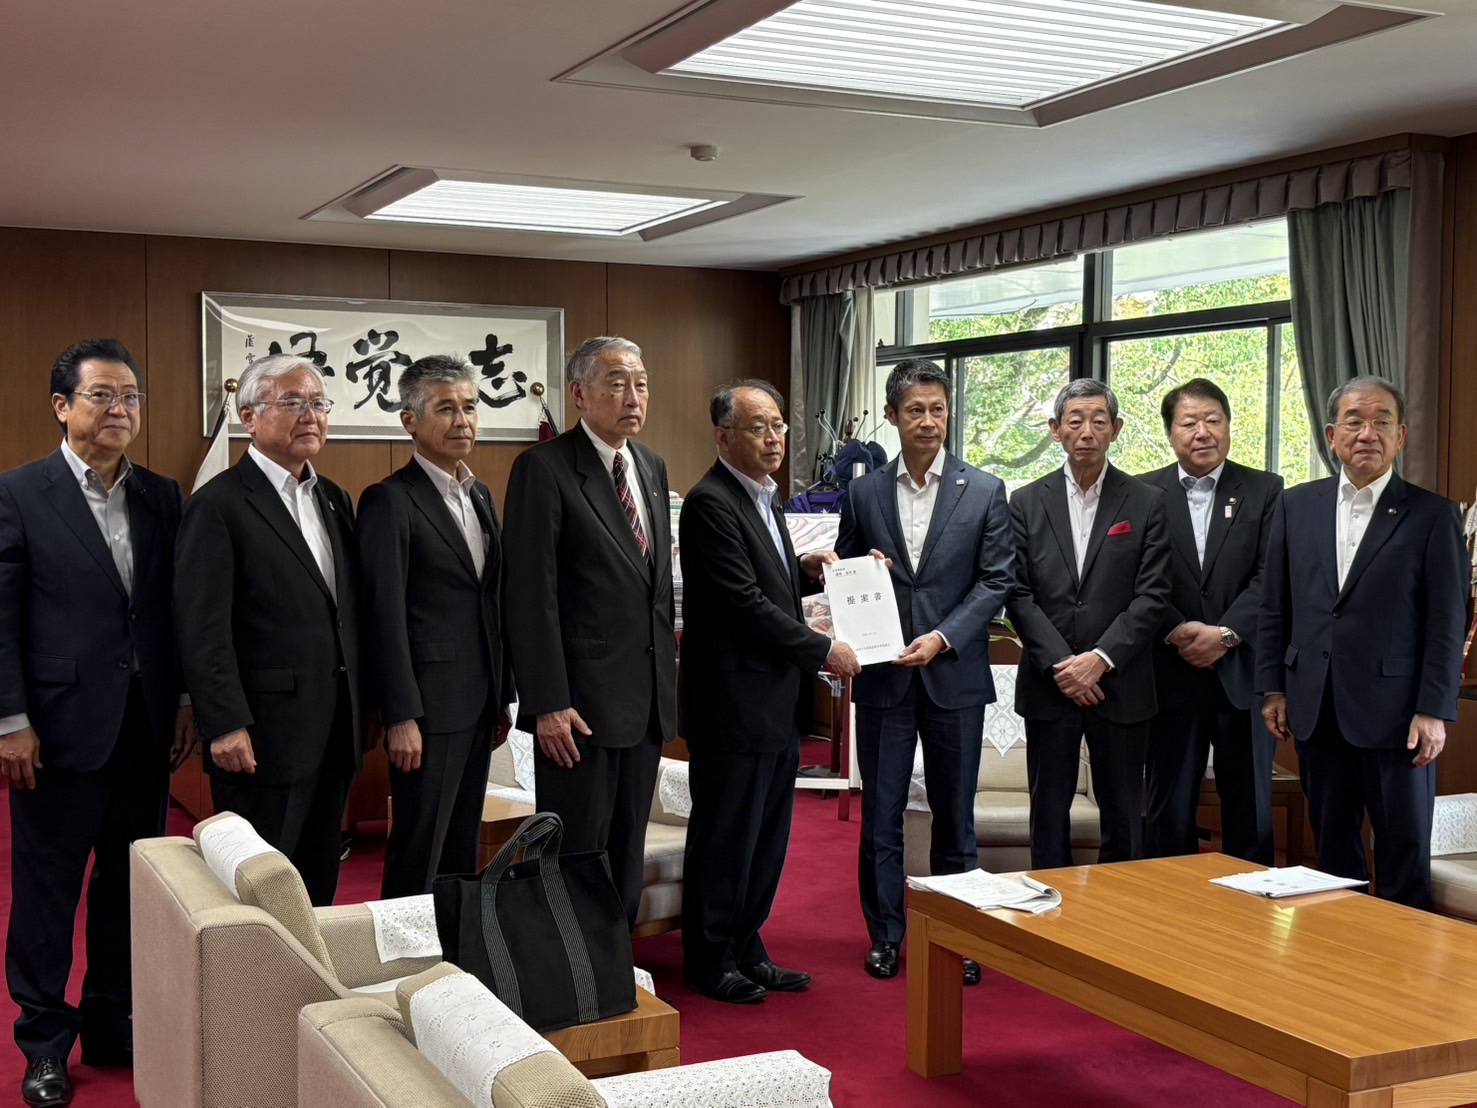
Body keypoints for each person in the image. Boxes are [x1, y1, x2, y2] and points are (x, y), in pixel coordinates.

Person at [0, 339, 193, 1107]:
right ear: (62, 406)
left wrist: (180, 701)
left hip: (145, 729)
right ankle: (44, 1042)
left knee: (127, 889)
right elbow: (2, 620)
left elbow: (172, 614)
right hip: (53, 732)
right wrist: (10, 719)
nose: (120, 411)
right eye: (103, 396)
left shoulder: (162, 494)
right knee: (48, 891)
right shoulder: (19, 492)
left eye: (131, 398)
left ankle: (112, 1022)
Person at [679, 379, 860, 1004]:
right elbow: (742, 603)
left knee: (765, 836)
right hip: (730, 705)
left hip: (772, 702)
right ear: (724, 436)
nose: (775, 437)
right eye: (759, 426)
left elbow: (768, 584)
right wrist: (822, 649)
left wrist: (804, 569)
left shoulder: (764, 497)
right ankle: (707, 955)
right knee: (726, 833)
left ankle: (746, 944)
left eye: (779, 425)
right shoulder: (710, 502)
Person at [835, 359, 1014, 982]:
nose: (929, 421)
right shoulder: (863, 492)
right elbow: (850, 576)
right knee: (880, 815)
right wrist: (864, 569)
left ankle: (957, 935)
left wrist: (943, 638)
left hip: (954, 674)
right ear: (891, 417)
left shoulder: (986, 489)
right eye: (915, 410)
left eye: (938, 409)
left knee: (954, 814)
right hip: (885, 677)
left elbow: (997, 581)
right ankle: (886, 935)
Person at [1258, 376, 1467, 908]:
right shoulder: (1294, 506)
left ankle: (1402, 975)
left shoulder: (1432, 514)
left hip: (1399, 716)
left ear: (1401, 436)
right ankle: (1338, 966)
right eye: (1354, 420)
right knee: (1331, 852)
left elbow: (1447, 622)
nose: (1366, 433)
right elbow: (1275, 605)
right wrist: (1274, 689)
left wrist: (1434, 709)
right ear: (1331, 434)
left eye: (1381, 422)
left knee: (1403, 848)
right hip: (1316, 706)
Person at [175, 353, 362, 907]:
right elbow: (202, 626)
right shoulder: (219, 505)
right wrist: (225, 723)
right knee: (258, 892)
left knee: (317, 881)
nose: (310, 415)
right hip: (261, 736)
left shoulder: (334, 499)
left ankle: (311, 991)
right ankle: (252, 995)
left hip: (334, 727)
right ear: (249, 417)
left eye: (318, 403)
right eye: (292, 403)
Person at [502, 336, 676, 928]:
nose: (633, 396)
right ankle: (568, 979)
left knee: (626, 851)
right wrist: (548, 703)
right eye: (616, 383)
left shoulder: (649, 465)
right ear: (578, 394)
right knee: (577, 852)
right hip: (578, 710)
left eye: (641, 383)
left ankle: (614, 968)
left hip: (644, 702)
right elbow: (530, 598)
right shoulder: (543, 469)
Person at [358, 355, 513, 898]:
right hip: (426, 707)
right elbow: (383, 615)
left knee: (461, 844)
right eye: (445, 409)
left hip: (478, 701)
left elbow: (490, 602)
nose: (463, 420)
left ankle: (452, 956)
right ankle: (402, 966)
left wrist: (503, 696)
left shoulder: (479, 494)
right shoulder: (389, 500)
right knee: (419, 846)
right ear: (409, 422)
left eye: (470, 407)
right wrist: (400, 714)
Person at [1006, 378, 1171, 868]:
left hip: (1120, 684)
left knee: (1124, 815)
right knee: (1048, 813)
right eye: (1074, 421)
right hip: (1049, 683)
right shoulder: (1026, 501)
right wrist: (1064, 665)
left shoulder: (1146, 502)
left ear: (1116, 429)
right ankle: (1050, 926)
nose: (1087, 431)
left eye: (1099, 421)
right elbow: (1016, 592)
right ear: (1055, 430)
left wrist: (1098, 661)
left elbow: (1154, 595)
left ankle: (1117, 927)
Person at [1138, 378, 1283, 864]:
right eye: (1189, 422)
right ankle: (1171, 918)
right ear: (1170, 433)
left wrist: (1225, 633)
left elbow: (1272, 576)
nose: (1203, 432)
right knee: (1168, 811)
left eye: (1213, 420)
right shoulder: (1142, 493)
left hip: (1242, 672)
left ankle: (1251, 926)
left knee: (1251, 810)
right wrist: (1176, 629)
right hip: (1169, 672)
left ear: (1228, 425)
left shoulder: (1265, 489)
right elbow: (1137, 576)